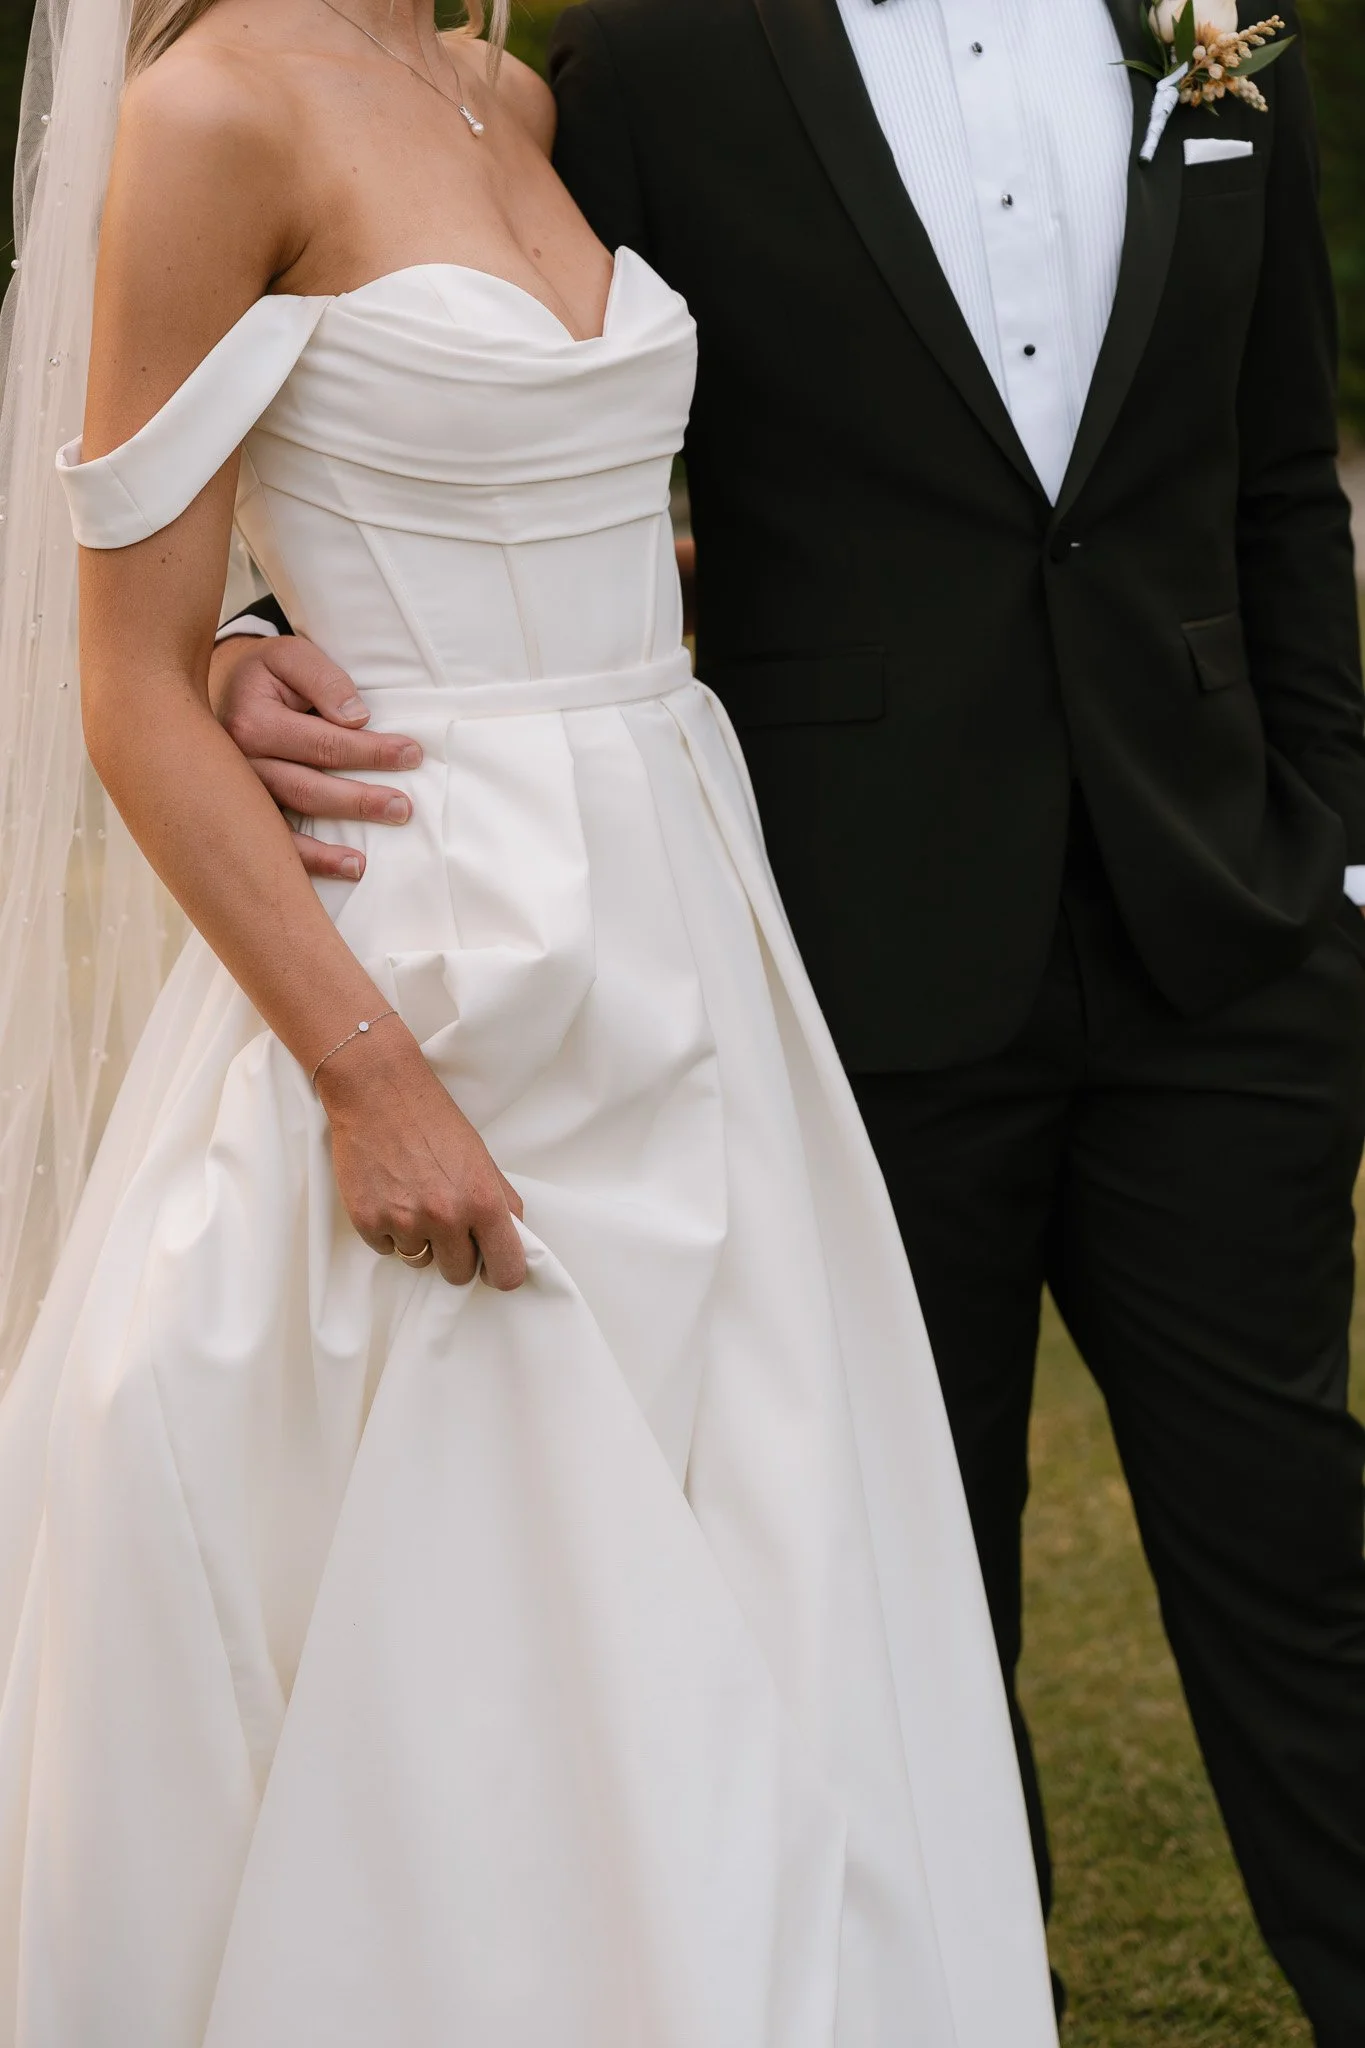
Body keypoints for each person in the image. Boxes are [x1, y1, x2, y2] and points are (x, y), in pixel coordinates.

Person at [213, 0, 1365, 2039]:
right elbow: (481, 387)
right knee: (896, 1592)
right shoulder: (643, 70)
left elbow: (1283, 484)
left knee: (1307, 1558)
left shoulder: (1212, 40)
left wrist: (1335, 868)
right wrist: (246, 630)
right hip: (846, 965)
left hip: (1224, 953)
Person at [0, 0, 1060, 2040]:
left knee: (755, 1526)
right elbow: (126, 679)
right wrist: (363, 1075)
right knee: (467, 1578)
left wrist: (263, 630)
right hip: (431, 950)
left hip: (680, 895)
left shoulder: (508, 89)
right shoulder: (213, 111)